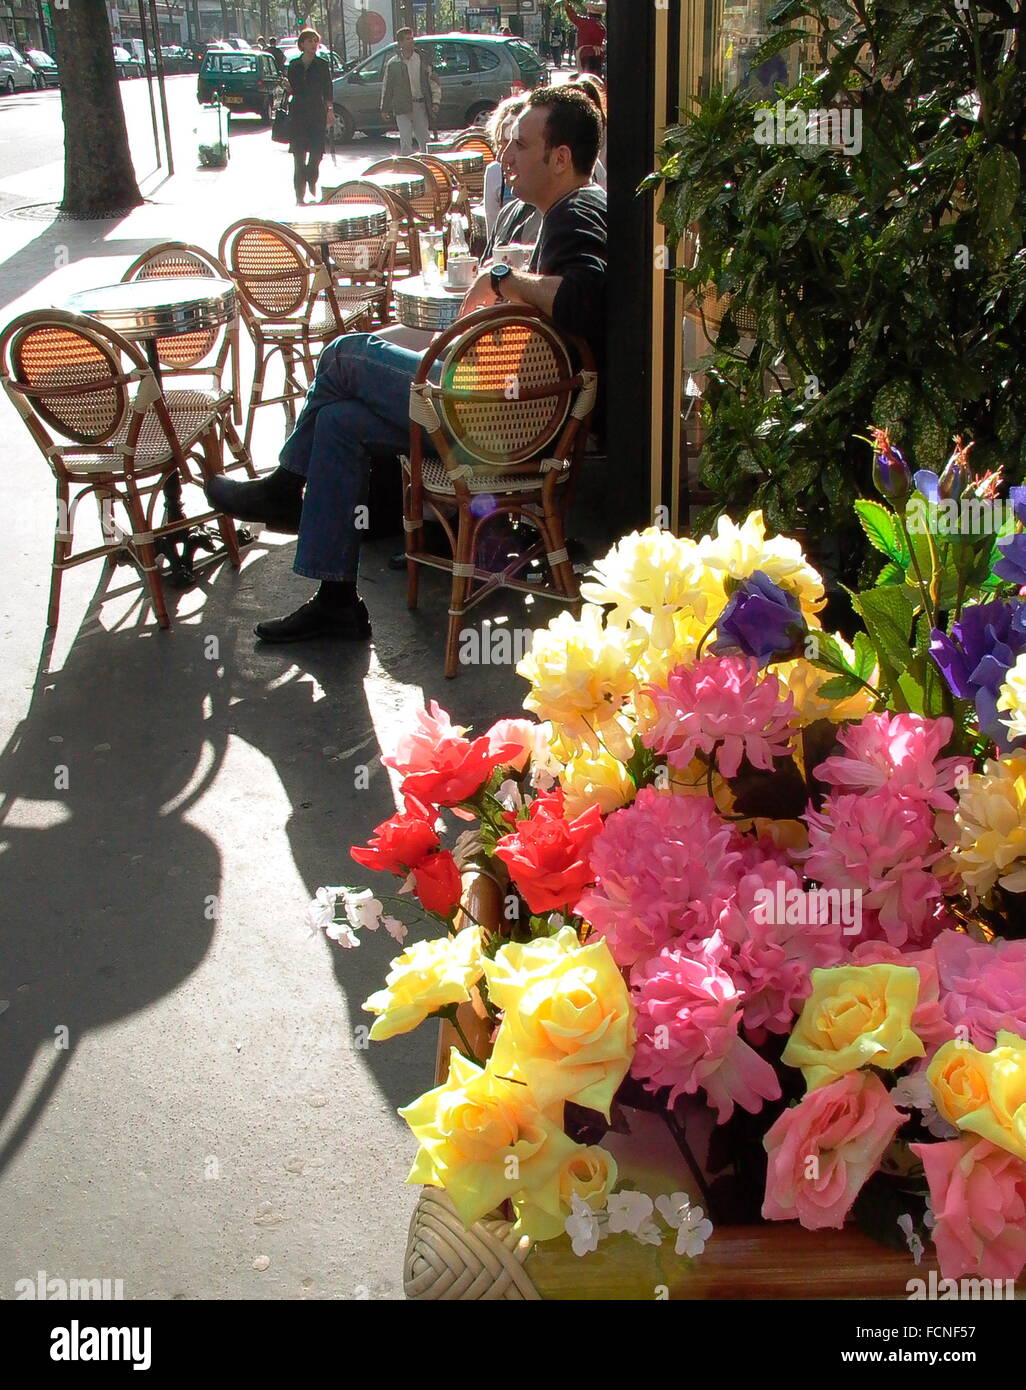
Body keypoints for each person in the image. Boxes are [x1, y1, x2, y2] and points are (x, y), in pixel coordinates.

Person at [206, 85, 606, 645]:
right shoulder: (558, 212)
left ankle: (282, 488)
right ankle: (337, 599)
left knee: (343, 353)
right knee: (340, 422)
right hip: (495, 408)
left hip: (501, 421)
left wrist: (502, 278)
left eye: (520, 145)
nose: (506, 156)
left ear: (559, 158)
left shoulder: (579, 211)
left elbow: (587, 298)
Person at [286, 29, 333, 202]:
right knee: (298, 158)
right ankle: (300, 197)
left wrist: (330, 110)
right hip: (298, 113)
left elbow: (328, 88)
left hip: (316, 112)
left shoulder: (322, 64)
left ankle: (311, 179)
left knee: (316, 155)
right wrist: (287, 87)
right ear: (302, 44)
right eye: (310, 41)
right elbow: (292, 89)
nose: (313, 44)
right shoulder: (294, 65)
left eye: (316, 41)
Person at [380, 28, 436, 156]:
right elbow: (387, 87)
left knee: (424, 139)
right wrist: (384, 108)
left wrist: (435, 102)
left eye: (412, 38)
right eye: (407, 39)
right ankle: (408, 167)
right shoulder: (393, 64)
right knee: (405, 140)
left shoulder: (422, 59)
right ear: (400, 43)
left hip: (420, 104)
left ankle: (428, 165)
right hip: (402, 106)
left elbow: (432, 81)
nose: (411, 41)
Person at [564, 0, 606, 75]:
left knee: (585, 75)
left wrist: (568, 6)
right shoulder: (601, 26)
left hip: (585, 53)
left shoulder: (585, 22)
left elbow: (573, 17)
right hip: (598, 54)